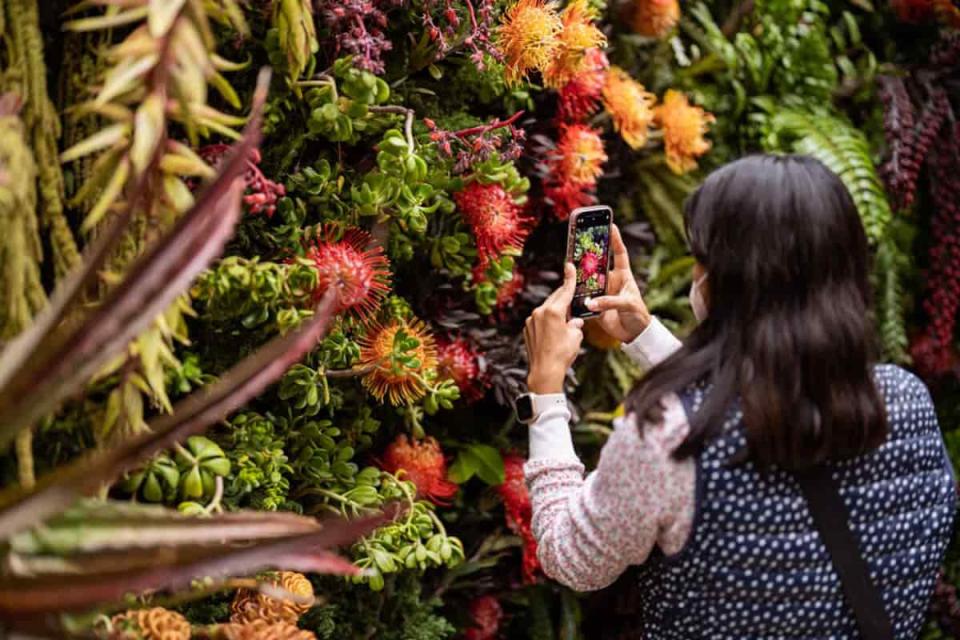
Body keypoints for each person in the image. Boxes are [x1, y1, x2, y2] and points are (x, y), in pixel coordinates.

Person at [518, 154, 957, 638]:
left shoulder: (666, 440)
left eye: (701, 261)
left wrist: (545, 392)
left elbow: (571, 558)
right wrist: (644, 337)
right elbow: (752, 407)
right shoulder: (906, 401)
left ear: (726, 281)